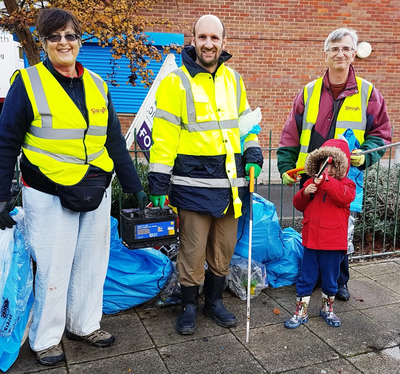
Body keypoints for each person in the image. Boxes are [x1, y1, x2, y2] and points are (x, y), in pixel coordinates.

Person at [0, 8, 148, 366]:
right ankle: (46, 339)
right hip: (48, 193)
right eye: (54, 37)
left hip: (95, 189)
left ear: (80, 40)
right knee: (53, 266)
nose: (63, 43)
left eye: (69, 35)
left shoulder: (97, 84)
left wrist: (133, 186)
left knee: (92, 263)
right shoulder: (29, 82)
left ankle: (84, 324)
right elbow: (6, 141)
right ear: (44, 43)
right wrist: (1, 196)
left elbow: (113, 139)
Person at [148, 14, 263, 335]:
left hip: (231, 187)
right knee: (192, 252)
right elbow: (164, 136)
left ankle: (213, 302)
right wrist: (158, 180)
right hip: (193, 187)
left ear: (224, 42)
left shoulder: (234, 80)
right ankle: (188, 306)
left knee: (223, 250)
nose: (209, 44)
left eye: (215, 38)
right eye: (203, 38)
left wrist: (253, 154)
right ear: (193, 40)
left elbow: (246, 128)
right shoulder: (176, 81)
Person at [277, 28, 391, 301]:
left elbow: (381, 134)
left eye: (346, 48)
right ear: (325, 53)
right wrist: (284, 166)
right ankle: (312, 278)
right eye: (334, 48)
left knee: (341, 232)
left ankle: (339, 282)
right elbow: (291, 133)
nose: (340, 53)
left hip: (346, 177)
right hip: (312, 175)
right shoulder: (308, 92)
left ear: (353, 54)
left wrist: (368, 154)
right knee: (312, 226)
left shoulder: (368, 93)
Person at [284, 139, 356, 329]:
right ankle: (301, 311)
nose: (329, 170)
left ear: (341, 167)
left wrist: (325, 181)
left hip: (332, 244)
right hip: (311, 240)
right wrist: (305, 192)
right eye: (325, 166)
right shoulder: (311, 182)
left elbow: (343, 197)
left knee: (331, 279)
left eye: (333, 166)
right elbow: (298, 204)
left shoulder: (347, 184)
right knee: (306, 277)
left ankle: (327, 309)